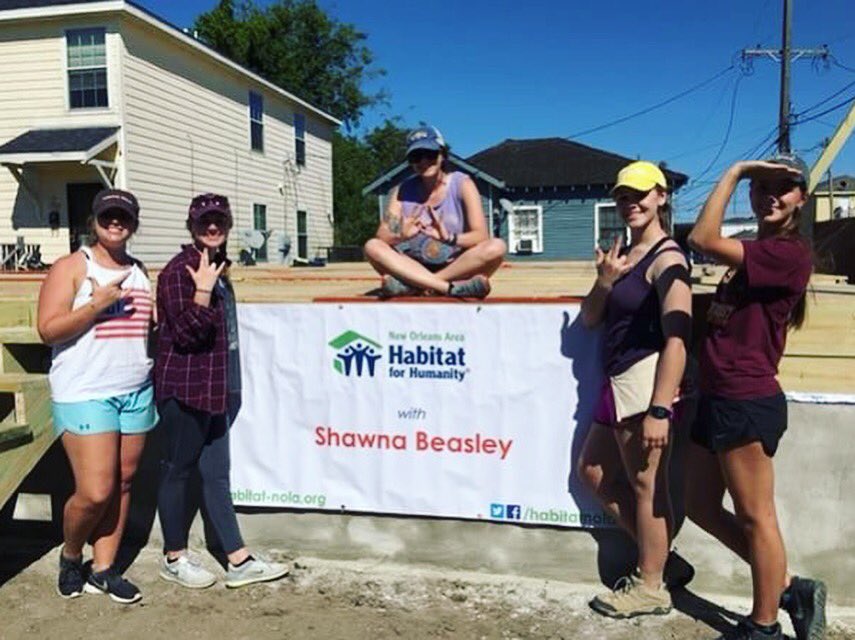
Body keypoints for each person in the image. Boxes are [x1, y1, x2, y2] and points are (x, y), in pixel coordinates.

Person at [685, 155, 826, 640]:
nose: (769, 195)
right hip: (716, 395)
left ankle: (764, 626)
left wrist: (734, 172)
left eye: (781, 187)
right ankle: (787, 587)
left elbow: (702, 239)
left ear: (801, 198)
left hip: (745, 398)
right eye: (760, 186)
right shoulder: (757, 252)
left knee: (755, 516)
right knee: (699, 504)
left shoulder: (788, 254)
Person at [155, 193, 288, 589]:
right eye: (204, 222)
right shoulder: (179, 272)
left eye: (220, 221)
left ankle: (238, 560)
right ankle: (173, 557)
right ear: (191, 227)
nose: (212, 227)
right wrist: (202, 292)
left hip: (216, 390)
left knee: (216, 475)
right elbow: (185, 335)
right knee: (177, 470)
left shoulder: (217, 267)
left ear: (229, 226)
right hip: (185, 390)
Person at [577, 161, 692, 618]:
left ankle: (650, 587)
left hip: (644, 385)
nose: (631, 203)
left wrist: (660, 408)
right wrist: (605, 281)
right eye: (623, 196)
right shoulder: (622, 254)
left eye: (640, 194)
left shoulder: (668, 259)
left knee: (647, 488)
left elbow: (678, 338)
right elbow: (590, 318)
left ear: (661, 196)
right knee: (593, 472)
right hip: (616, 383)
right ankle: (660, 560)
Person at [38, 189, 155, 604]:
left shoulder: (140, 270)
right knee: (95, 491)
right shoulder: (72, 266)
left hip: (136, 390)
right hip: (86, 391)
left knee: (123, 483)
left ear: (134, 224)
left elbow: (145, 330)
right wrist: (96, 305)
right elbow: (47, 329)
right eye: (108, 216)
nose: (116, 223)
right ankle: (71, 556)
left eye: (124, 216)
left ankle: (104, 569)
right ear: (94, 221)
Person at [363, 125, 506, 299]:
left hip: (456, 266)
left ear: (442, 155)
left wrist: (449, 238)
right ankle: (447, 288)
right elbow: (382, 235)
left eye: (430, 154)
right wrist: (401, 234)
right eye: (416, 157)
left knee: (497, 247)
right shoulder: (403, 190)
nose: (423, 161)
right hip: (412, 266)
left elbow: (480, 236)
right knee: (372, 247)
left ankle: (417, 286)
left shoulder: (462, 184)